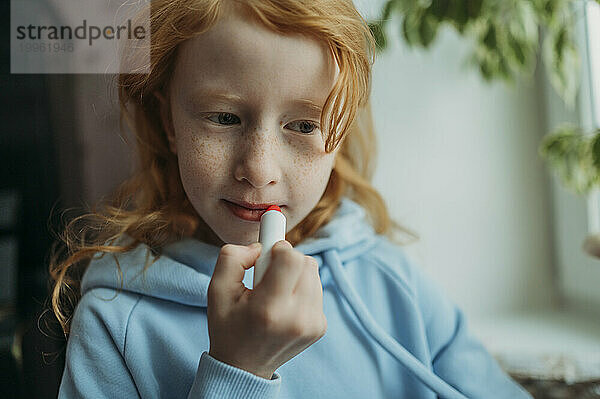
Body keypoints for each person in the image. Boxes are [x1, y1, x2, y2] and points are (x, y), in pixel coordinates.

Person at [50, 0, 534, 398]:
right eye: (222, 118)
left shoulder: (392, 282)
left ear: (339, 134)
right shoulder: (113, 323)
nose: (259, 170)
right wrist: (239, 370)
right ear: (170, 122)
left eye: (304, 126)